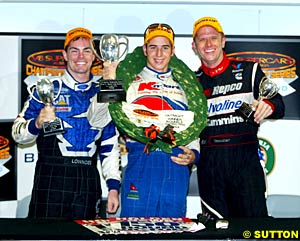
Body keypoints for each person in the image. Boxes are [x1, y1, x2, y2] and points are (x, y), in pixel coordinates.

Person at [11, 27, 121, 219]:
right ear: (65, 55)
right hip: (51, 177)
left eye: (87, 50)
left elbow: (109, 144)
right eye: (74, 50)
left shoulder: (103, 90)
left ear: (95, 56)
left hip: (88, 177)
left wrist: (113, 186)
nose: (81, 56)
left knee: (85, 237)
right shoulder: (45, 90)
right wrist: (36, 123)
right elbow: (17, 134)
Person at [108, 23, 207, 217]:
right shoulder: (127, 78)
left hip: (175, 162)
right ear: (144, 49)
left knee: (173, 232)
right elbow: (103, 119)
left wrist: (194, 154)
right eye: (153, 47)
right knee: (134, 231)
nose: (159, 54)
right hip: (142, 160)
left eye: (165, 47)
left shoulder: (186, 84)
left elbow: (193, 123)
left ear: (173, 51)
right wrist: (109, 79)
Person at [192, 16, 285, 218]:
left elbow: (279, 104)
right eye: (202, 39)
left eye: (213, 38)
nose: (208, 44)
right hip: (211, 165)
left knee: (253, 230)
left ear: (223, 41)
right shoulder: (192, 83)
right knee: (216, 232)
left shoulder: (249, 71)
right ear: (194, 46)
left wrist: (268, 105)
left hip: (245, 161)